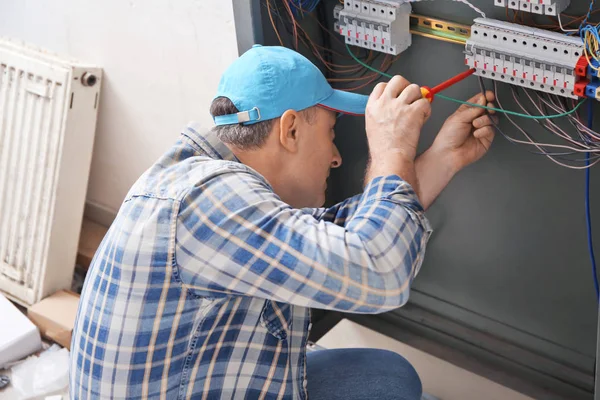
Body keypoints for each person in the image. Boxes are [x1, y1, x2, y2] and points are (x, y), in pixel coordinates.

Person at [69, 45, 496, 400]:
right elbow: (381, 273)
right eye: (330, 133)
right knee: (387, 383)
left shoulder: (205, 187)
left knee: (385, 377)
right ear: (290, 130)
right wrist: (391, 148)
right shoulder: (209, 201)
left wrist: (442, 158)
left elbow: (340, 238)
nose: (336, 157)